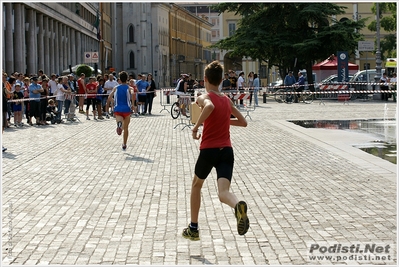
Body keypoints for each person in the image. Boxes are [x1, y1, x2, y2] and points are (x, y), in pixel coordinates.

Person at [182, 60, 249, 241]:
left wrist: (196, 127)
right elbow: (243, 122)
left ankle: (193, 228)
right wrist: (225, 120)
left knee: (197, 185)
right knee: (223, 193)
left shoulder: (205, 96)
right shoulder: (227, 101)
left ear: (205, 79)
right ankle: (237, 206)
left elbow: (210, 106)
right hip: (226, 151)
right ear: (221, 80)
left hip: (209, 150)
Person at [108, 71, 134, 150]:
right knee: (126, 128)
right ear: (127, 79)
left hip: (118, 108)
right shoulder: (129, 88)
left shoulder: (116, 87)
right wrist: (132, 104)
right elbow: (132, 94)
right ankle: (124, 144)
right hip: (126, 109)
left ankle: (119, 125)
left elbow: (109, 97)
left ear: (119, 79)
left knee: (119, 121)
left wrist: (114, 101)